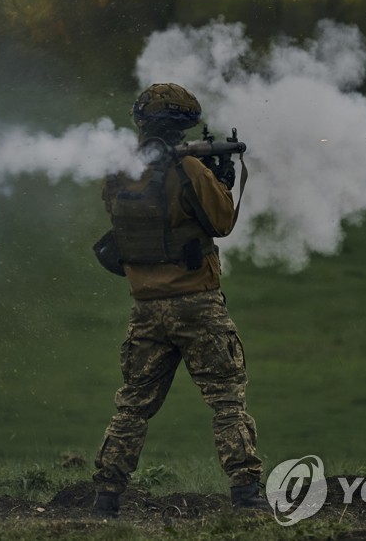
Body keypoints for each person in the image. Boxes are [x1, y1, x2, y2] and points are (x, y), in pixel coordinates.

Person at [91, 82, 266, 517]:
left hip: (146, 306)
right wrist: (220, 180)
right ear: (181, 126)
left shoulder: (116, 170)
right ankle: (246, 492)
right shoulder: (187, 168)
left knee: (133, 404)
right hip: (196, 303)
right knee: (227, 398)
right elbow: (221, 221)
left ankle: (106, 496)